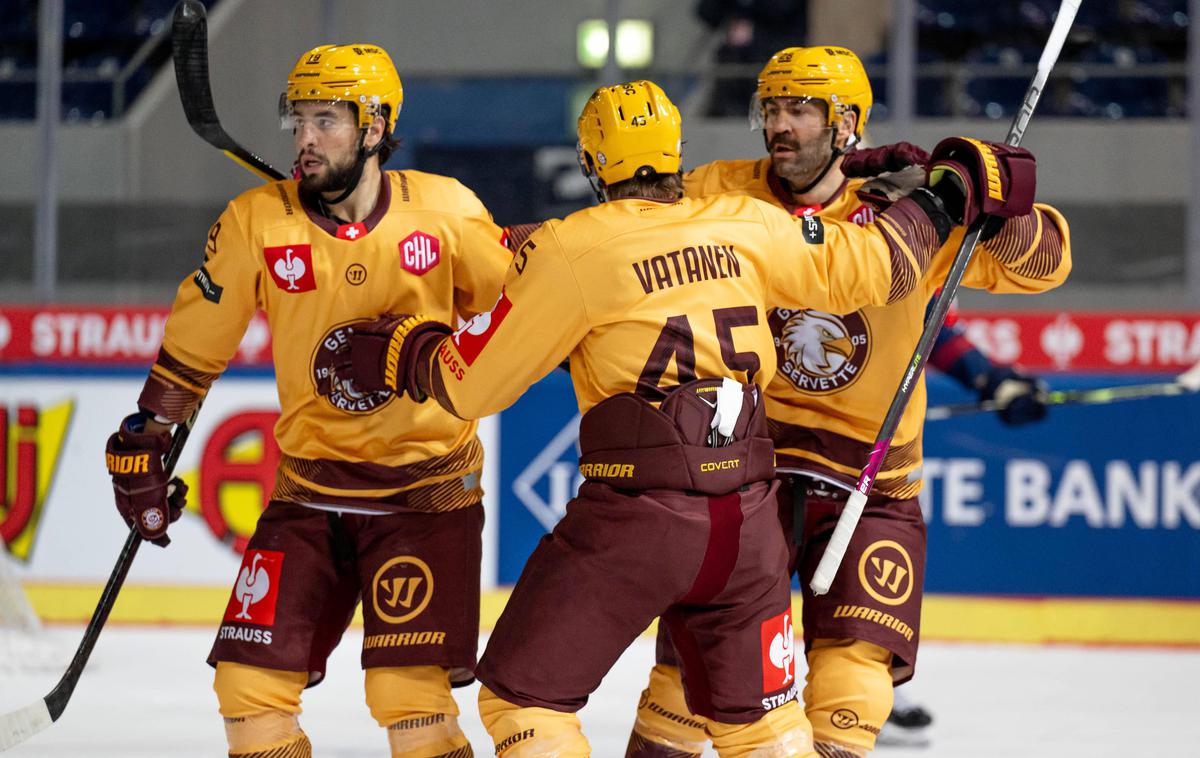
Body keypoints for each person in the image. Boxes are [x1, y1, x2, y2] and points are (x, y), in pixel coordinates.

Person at [339, 80, 1035, 756]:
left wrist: (403, 350)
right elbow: (882, 265)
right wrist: (943, 197)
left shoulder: (572, 248)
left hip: (638, 521)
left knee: (523, 703)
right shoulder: (747, 220)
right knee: (759, 728)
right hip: (750, 524)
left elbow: (471, 387)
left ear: (589, 164)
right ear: (676, 155)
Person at [623, 46, 1071, 758]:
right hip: (744, 468)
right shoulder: (719, 189)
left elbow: (1043, 266)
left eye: (800, 109)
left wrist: (987, 201)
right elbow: (624, 242)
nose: (780, 125)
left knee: (852, 689)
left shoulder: (907, 207)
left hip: (868, 478)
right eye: (771, 108)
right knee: (685, 676)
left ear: (847, 122)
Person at [103, 43, 515, 758]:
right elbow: (197, 345)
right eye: (298, 120)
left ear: (376, 126)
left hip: (427, 495)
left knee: (409, 702)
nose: (304, 138)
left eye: (327, 120)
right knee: (247, 692)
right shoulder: (256, 222)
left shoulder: (447, 211)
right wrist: (146, 435)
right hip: (311, 493)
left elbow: (519, 309)